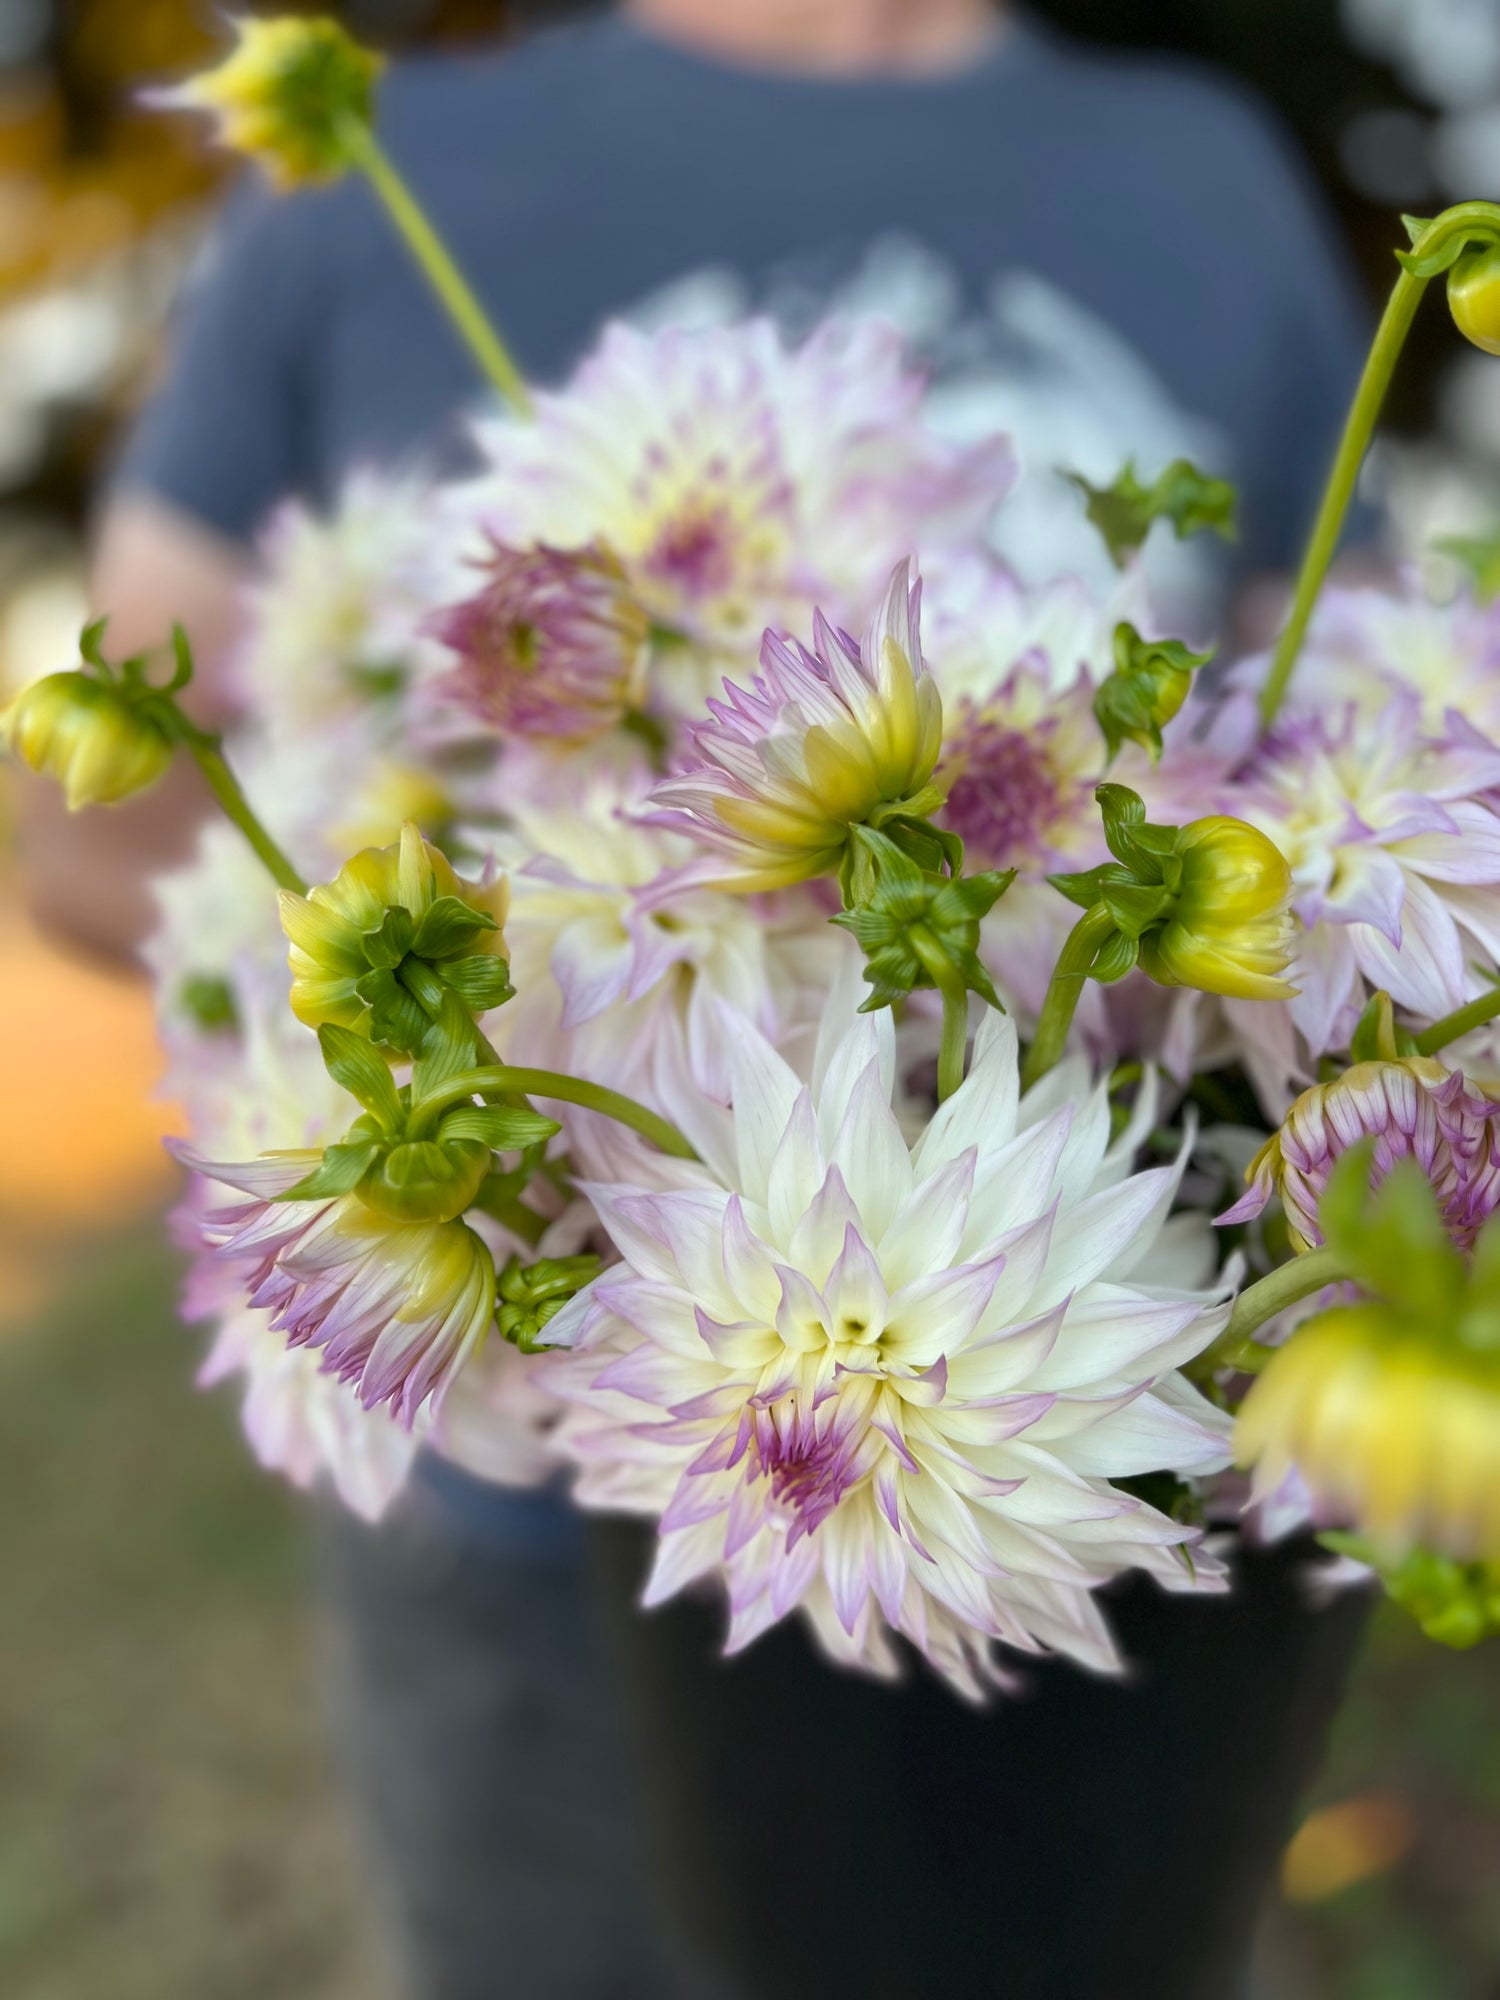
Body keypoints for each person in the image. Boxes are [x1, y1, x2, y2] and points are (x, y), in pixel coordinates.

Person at [30, 2, 1375, 1993]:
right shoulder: (357, 180)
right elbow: (87, 834)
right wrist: (460, 969)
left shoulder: (1209, 170)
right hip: (538, 1551)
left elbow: (1314, 766)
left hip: (1100, 1467)